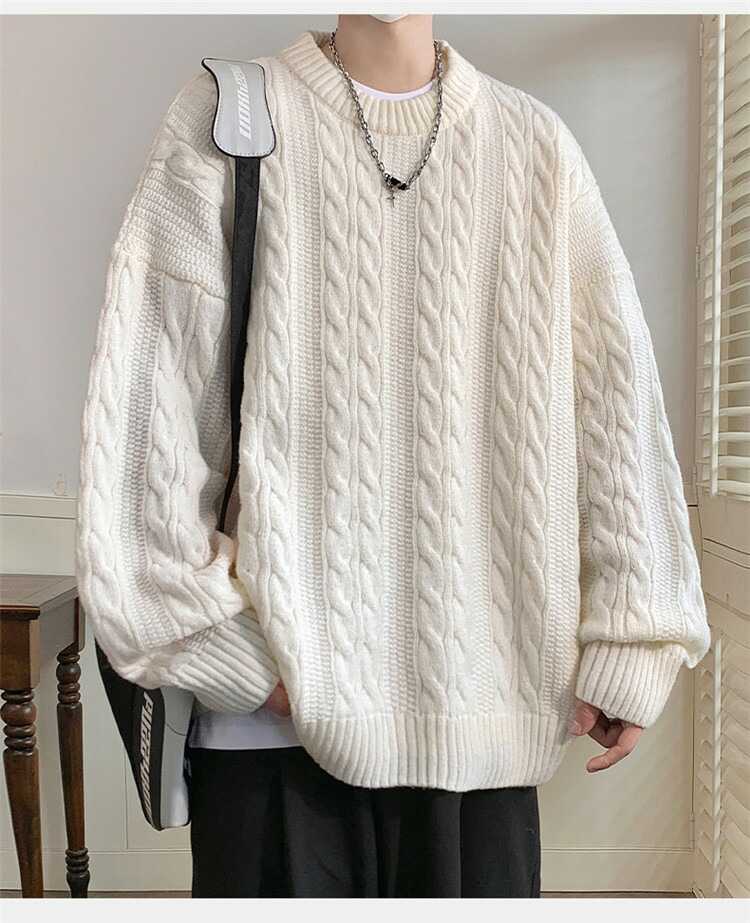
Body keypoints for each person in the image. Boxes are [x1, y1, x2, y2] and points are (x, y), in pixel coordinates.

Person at [75, 13, 712, 898]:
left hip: (482, 731)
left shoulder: (535, 146)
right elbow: (148, 423)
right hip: (270, 741)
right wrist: (239, 657)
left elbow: (616, 406)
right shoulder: (230, 119)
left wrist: (633, 639)